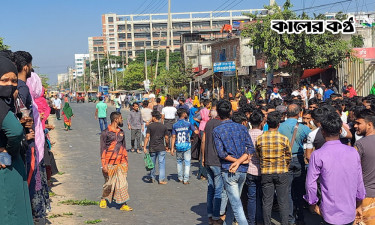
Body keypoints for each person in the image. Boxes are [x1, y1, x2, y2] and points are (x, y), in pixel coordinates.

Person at [304, 113, 365, 225]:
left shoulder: (317, 154)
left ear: (322, 131)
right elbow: (359, 180)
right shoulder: (352, 152)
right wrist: (359, 204)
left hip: (329, 212)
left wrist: (312, 204)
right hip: (349, 210)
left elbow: (310, 183)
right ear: (340, 131)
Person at [0, 56, 33, 224]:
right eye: (4, 80)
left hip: (10, 165)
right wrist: (9, 150)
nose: (9, 85)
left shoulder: (8, 103)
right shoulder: (2, 105)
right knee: (11, 212)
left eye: (13, 80)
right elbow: (14, 131)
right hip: (7, 166)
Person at [213, 100, 253, 225]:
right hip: (242, 170)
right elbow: (250, 148)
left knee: (236, 205)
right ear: (231, 111)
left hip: (229, 170)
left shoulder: (217, 131)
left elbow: (222, 154)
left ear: (218, 114)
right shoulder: (242, 127)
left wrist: (236, 162)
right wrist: (240, 161)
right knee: (234, 202)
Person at [256, 111, 291, 225]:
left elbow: (258, 155)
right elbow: (288, 156)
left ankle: (267, 223)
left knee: (267, 201)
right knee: (283, 201)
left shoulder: (260, 138)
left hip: (266, 172)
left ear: (267, 123)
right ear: (278, 124)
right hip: (281, 171)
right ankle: (285, 222)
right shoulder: (284, 139)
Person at [278, 104, 311, 225]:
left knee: (287, 190)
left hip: (284, 160)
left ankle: (289, 218)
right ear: (299, 113)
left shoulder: (280, 127)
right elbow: (311, 139)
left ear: (286, 113)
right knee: (299, 189)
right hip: (298, 159)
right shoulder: (303, 128)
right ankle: (300, 217)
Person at [99, 112, 132, 211]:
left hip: (121, 163)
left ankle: (123, 204)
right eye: (121, 118)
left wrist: (126, 162)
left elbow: (124, 147)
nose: (122, 120)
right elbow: (102, 149)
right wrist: (104, 165)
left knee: (123, 184)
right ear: (116, 119)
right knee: (108, 184)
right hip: (109, 163)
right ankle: (103, 199)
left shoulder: (122, 132)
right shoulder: (105, 133)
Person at [202, 109, 225, 225]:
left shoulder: (208, 124)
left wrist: (203, 157)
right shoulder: (220, 124)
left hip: (208, 159)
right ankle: (216, 217)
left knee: (210, 189)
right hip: (217, 161)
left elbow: (204, 141)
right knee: (218, 190)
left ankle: (210, 216)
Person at [354, 109, 375, 224]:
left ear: (369, 125)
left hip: (365, 198)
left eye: (359, 123)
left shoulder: (360, 144)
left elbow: (352, 170)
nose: (355, 126)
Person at [171, 109, 198, 184]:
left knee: (179, 162)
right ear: (183, 114)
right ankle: (186, 179)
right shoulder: (188, 124)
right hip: (186, 145)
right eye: (185, 113)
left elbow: (173, 137)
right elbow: (196, 132)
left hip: (178, 145)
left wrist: (172, 148)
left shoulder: (175, 125)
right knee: (187, 162)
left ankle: (180, 177)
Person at [247, 109, 265, 225]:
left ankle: (251, 221)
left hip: (249, 170)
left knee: (251, 198)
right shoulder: (264, 135)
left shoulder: (246, 134)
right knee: (262, 197)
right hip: (262, 171)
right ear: (261, 122)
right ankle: (260, 220)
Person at [143, 111, 169, 184]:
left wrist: (145, 147)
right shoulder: (163, 126)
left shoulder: (150, 126)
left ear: (154, 117)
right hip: (161, 147)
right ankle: (161, 179)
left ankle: (152, 177)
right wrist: (167, 146)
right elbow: (166, 138)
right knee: (162, 164)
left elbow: (147, 137)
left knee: (152, 163)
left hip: (152, 147)